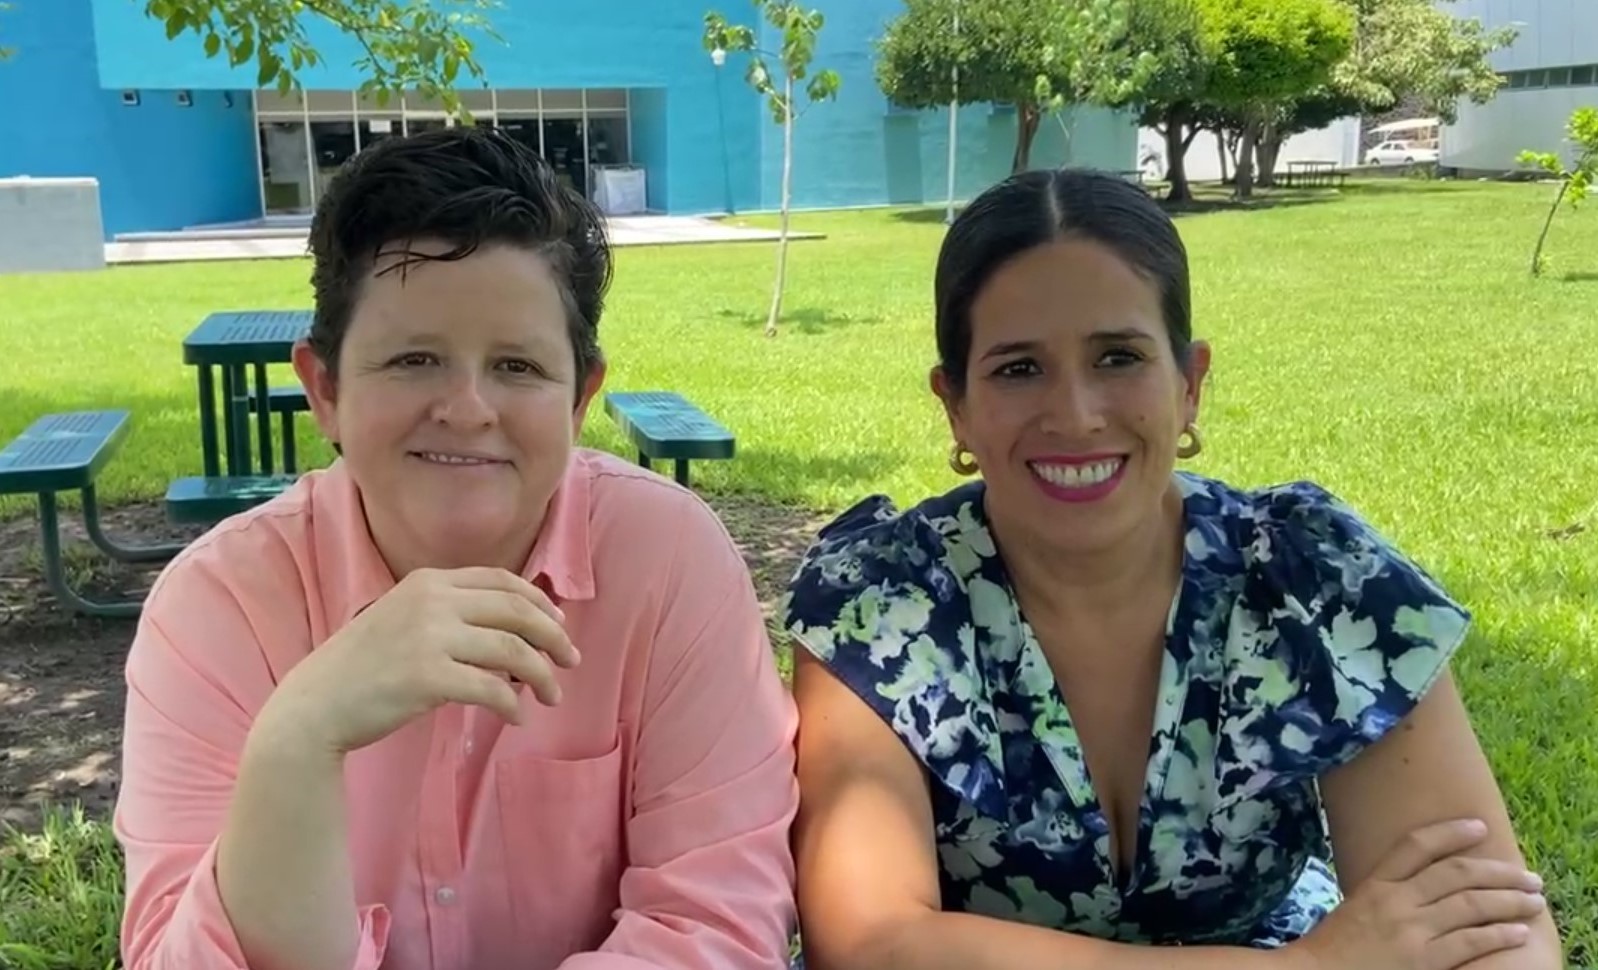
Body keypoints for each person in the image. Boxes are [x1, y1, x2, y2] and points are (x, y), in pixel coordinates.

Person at [780, 168, 1562, 970]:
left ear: (1189, 385)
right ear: (956, 406)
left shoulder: (1314, 579)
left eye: (1118, 357)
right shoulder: (881, 603)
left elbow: (1489, 922)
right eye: (1019, 368)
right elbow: (871, 944)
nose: (1078, 415)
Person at [114, 126, 798, 970]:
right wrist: (295, 742)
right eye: (413, 359)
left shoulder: (667, 562)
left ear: (581, 397)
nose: (468, 408)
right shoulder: (216, 608)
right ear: (323, 390)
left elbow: (716, 928)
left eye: (516, 366)